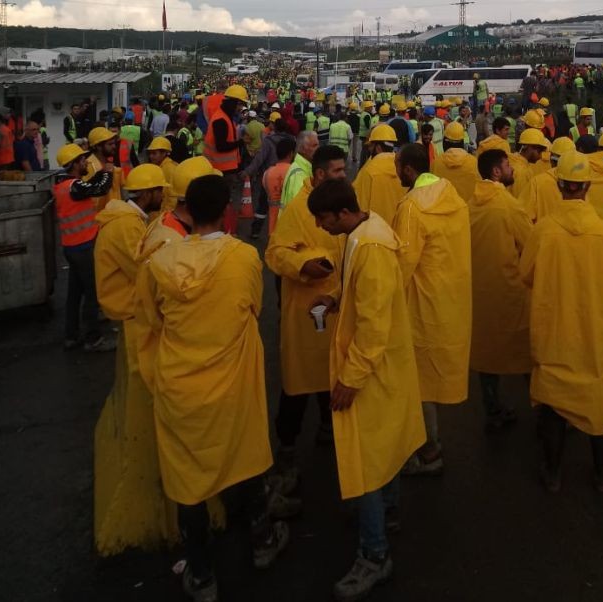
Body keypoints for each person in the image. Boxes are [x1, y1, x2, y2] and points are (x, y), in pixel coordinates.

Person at [139, 175, 289, 601]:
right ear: (227, 209)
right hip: (233, 380)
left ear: (186, 209)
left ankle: (202, 575)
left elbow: (149, 322)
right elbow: (254, 308)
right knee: (245, 458)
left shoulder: (160, 262)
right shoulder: (243, 257)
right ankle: (261, 541)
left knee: (189, 479)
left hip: (178, 385)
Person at [305, 179, 425, 602]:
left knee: (367, 461)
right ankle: (387, 514)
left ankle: (373, 554)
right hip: (381, 366)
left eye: (322, 219)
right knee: (382, 448)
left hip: (372, 369)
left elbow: (374, 325)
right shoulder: (363, 234)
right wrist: (336, 297)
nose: (320, 228)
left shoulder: (369, 246)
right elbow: (364, 294)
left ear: (340, 214)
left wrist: (351, 379)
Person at [519, 150, 603, 493]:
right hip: (597, 333)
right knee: (599, 402)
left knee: (553, 404)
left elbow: (526, 274)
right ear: (585, 187)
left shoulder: (544, 231)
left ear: (561, 185)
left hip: (554, 331)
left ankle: (552, 473)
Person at [92, 164, 174, 555]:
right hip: (131, 317)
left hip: (128, 315)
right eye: (161, 191)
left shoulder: (128, 217)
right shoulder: (127, 226)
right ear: (148, 194)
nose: (165, 197)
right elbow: (145, 271)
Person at [264, 145, 348, 487]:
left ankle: (330, 428)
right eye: (339, 171)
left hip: (336, 310)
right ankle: (286, 450)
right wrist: (303, 266)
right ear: (319, 175)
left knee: (332, 374)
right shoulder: (299, 209)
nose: (345, 175)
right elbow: (275, 252)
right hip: (304, 314)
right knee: (298, 384)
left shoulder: (343, 205)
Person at [393, 143, 472, 476]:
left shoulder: (412, 207)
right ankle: (430, 446)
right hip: (451, 300)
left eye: (398, 167)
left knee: (416, 380)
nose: (395, 172)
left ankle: (428, 452)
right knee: (428, 377)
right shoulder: (451, 196)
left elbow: (402, 263)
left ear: (409, 171)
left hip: (420, 305)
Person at [468, 149, 532, 430]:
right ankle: (544, 405)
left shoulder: (471, 203)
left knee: (487, 353)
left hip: (480, 291)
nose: (512, 170)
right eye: (507, 166)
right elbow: (530, 244)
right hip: (511, 290)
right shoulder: (509, 205)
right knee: (526, 350)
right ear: (496, 172)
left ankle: (492, 410)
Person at [54, 144, 114, 352]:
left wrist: (99, 176)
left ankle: (71, 336)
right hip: (83, 247)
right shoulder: (75, 187)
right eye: (82, 160)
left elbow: (90, 185)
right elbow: (101, 188)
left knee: (75, 293)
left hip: (72, 247)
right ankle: (93, 338)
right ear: (73, 165)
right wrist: (107, 173)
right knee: (92, 293)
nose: (85, 162)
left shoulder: (66, 185)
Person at [203, 84, 248, 235]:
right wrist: (240, 142)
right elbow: (222, 146)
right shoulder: (220, 120)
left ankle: (224, 229)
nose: (240, 108)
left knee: (224, 202)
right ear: (233, 102)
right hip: (221, 170)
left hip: (226, 168)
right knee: (224, 203)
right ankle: (225, 231)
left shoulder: (226, 117)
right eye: (240, 104)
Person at [352, 124, 407, 225]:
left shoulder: (369, 171)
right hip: (400, 228)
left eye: (371, 146)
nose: (369, 149)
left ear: (377, 147)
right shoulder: (404, 168)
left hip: (377, 232)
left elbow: (359, 207)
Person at [431, 121, 479, 203]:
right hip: (467, 210)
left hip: (445, 210)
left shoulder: (436, 163)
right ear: (462, 141)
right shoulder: (473, 162)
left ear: (445, 142)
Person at [261, 137, 295, 235]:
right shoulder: (294, 172)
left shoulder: (267, 173)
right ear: (291, 154)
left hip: (273, 227)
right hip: (289, 226)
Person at [509, 128, 550, 199]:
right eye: (539, 151)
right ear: (528, 147)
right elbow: (521, 202)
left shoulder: (518, 161)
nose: (540, 156)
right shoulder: (521, 172)